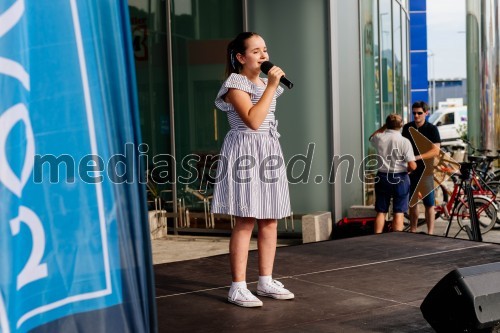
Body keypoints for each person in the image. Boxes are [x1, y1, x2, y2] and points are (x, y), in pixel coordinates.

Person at [210, 32, 294, 308]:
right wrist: (271, 86)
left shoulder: (266, 83)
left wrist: (270, 85)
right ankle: (237, 287)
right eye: (256, 51)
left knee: (270, 219)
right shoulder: (236, 83)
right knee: (246, 219)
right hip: (245, 152)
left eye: (265, 50)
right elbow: (253, 121)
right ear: (241, 57)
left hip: (268, 150)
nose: (263, 55)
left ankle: (265, 281)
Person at [369, 114, 417, 233]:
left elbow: (371, 137)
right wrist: (407, 171)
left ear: (387, 124)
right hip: (400, 177)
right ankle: (396, 241)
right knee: (399, 211)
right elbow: (412, 165)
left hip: (382, 176)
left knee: (381, 211)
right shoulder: (404, 141)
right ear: (401, 125)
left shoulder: (379, 138)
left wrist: (385, 126)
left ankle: (376, 238)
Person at [402, 101, 441, 234]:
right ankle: (413, 229)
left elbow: (436, 151)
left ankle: (430, 233)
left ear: (426, 113)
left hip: (426, 172)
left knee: (429, 204)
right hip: (411, 171)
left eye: (419, 113)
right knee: (412, 203)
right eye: (414, 113)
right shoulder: (407, 128)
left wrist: (417, 157)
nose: (416, 116)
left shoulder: (432, 129)